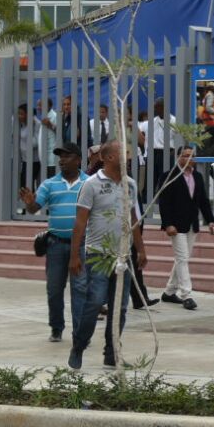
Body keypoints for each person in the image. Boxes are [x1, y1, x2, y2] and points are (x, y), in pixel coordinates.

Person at [68, 141, 146, 370]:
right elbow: (80, 222)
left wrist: (140, 249)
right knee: (94, 301)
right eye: (124, 153)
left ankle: (112, 353)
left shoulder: (129, 185)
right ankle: (79, 346)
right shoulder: (91, 185)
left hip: (123, 256)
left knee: (120, 307)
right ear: (108, 157)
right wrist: (75, 256)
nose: (128, 157)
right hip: (99, 255)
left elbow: (133, 219)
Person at [19, 141, 86, 343]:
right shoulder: (49, 184)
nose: (62, 160)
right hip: (56, 244)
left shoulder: (89, 183)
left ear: (78, 159)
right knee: (54, 289)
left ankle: (80, 332)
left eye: (67, 156)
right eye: (60, 156)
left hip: (82, 245)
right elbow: (34, 209)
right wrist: (30, 204)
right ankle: (56, 327)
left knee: (80, 289)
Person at [157, 145, 214, 310]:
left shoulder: (197, 176)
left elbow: (203, 200)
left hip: (192, 224)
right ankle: (187, 295)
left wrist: (210, 220)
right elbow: (164, 203)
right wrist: (168, 223)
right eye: (186, 156)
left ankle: (169, 292)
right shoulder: (169, 176)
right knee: (182, 258)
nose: (190, 159)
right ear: (178, 158)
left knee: (182, 258)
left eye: (192, 156)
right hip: (175, 225)